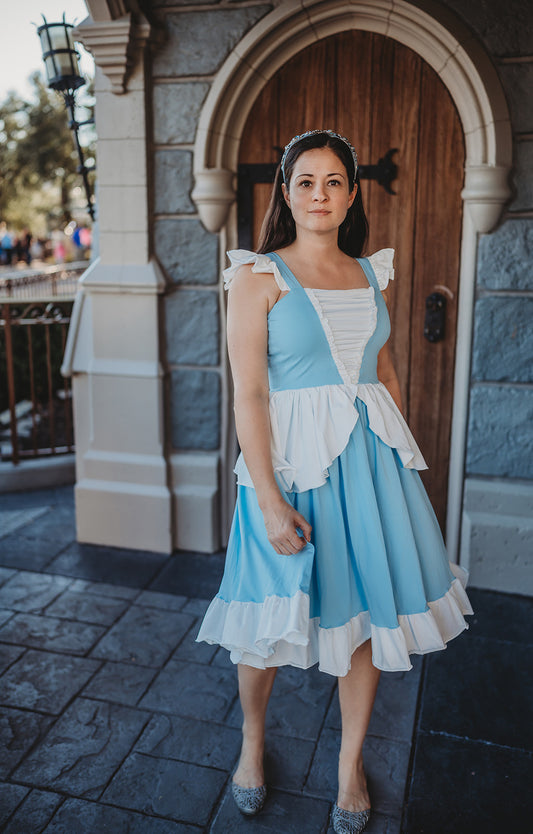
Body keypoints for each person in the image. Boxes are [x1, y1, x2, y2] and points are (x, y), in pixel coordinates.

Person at [196, 129, 473, 834]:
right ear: (285, 193)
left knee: (363, 619)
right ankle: (252, 745)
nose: (319, 195)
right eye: (305, 182)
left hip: (369, 466)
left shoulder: (369, 272)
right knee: (263, 622)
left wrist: (397, 456)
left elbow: (380, 371)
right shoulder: (256, 276)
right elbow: (249, 397)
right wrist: (268, 498)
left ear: (352, 195)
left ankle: (348, 764)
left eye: (333, 183)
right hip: (287, 468)